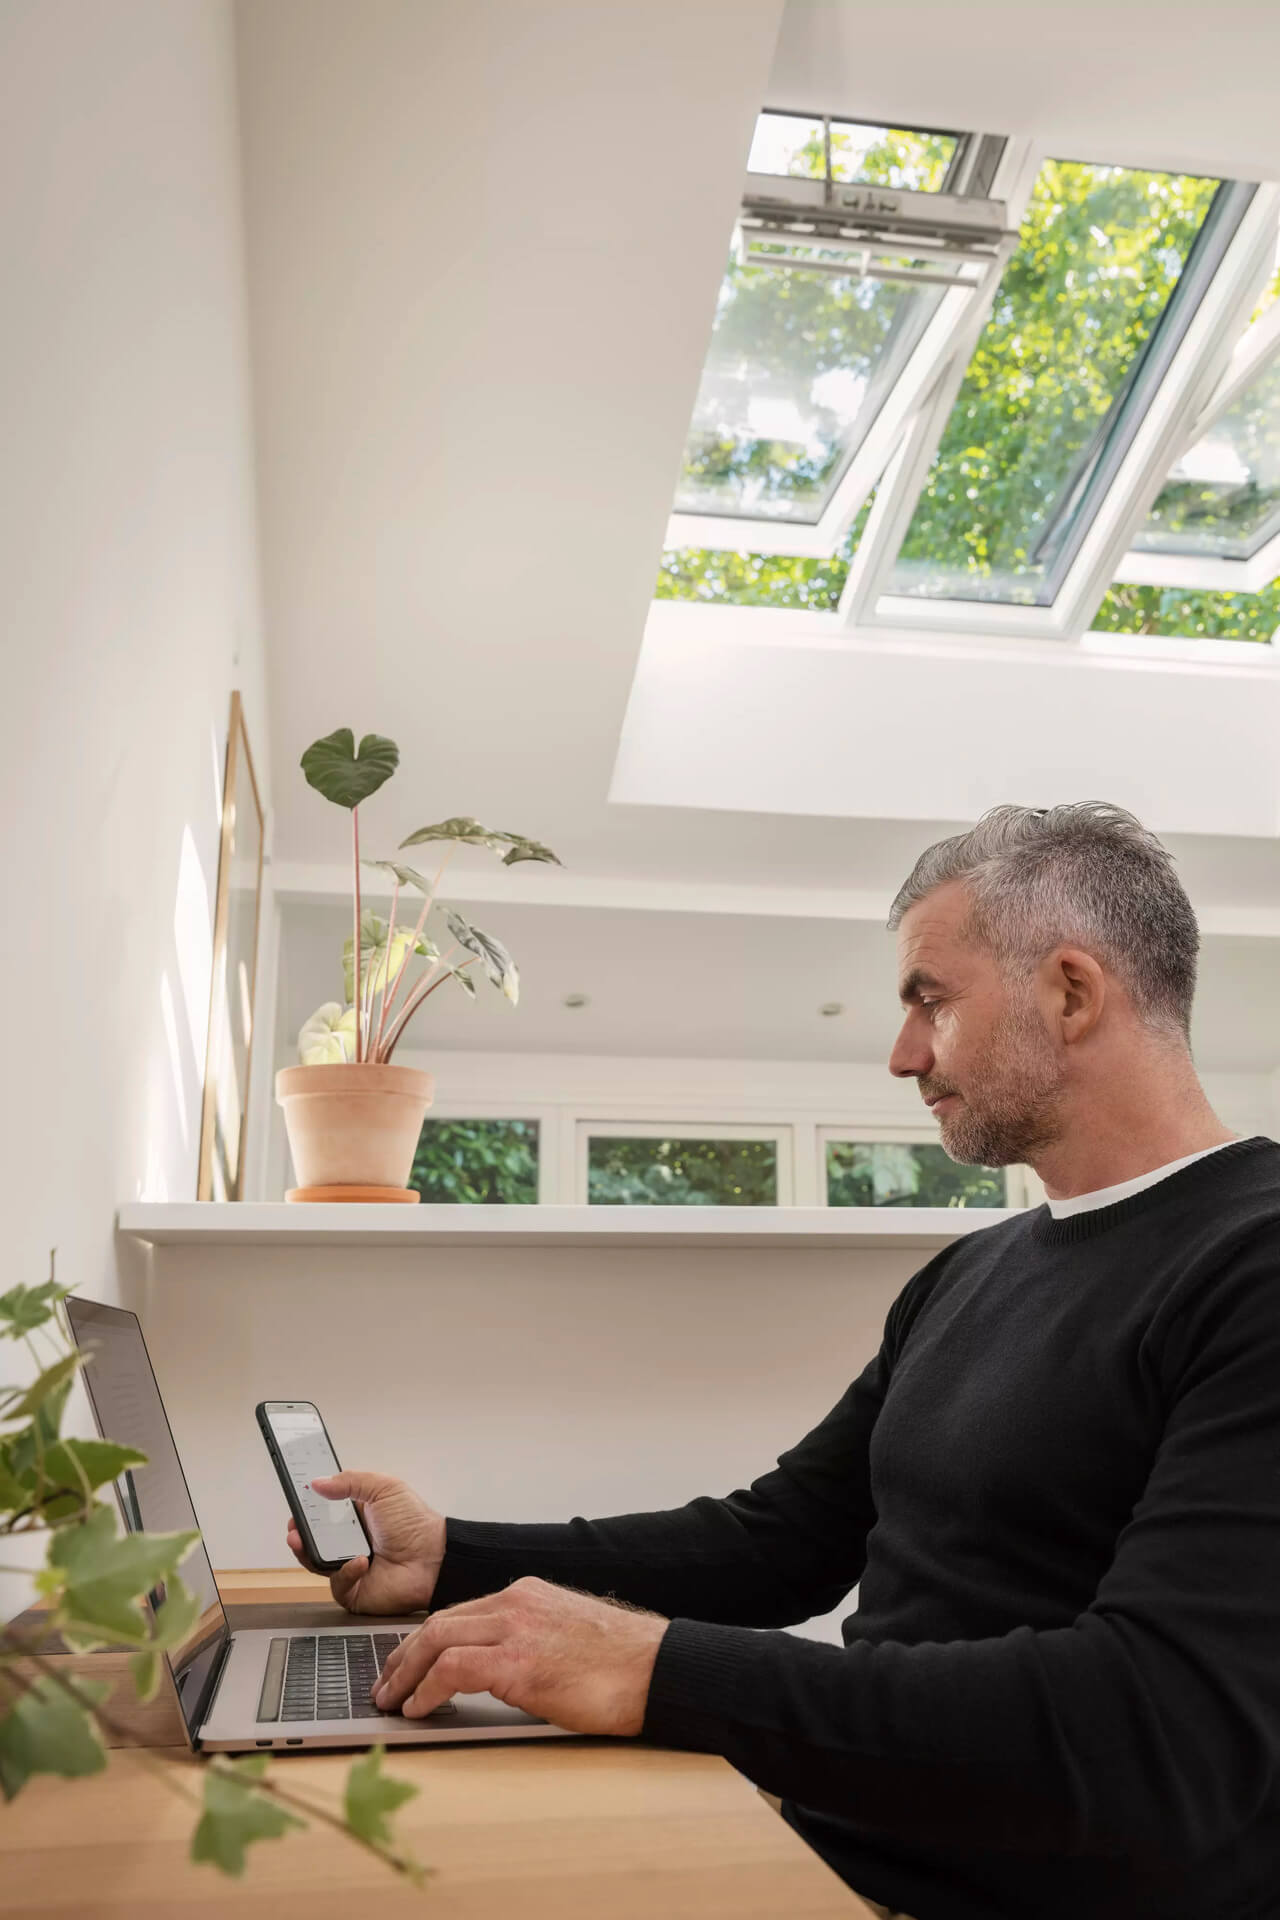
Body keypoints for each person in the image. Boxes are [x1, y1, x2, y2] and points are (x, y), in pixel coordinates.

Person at [288, 802, 1280, 1920]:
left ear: (1068, 991)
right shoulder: (968, 1273)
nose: (902, 1054)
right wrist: (453, 1556)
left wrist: (654, 1667)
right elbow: (780, 1543)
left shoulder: (1252, 1264)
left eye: (929, 1002)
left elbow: (1158, 1730)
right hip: (815, 1853)